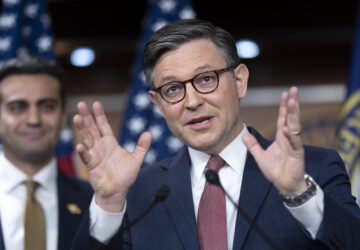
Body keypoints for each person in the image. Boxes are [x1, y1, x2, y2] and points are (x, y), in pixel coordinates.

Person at [71, 19, 360, 250]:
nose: (193, 101)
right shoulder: (138, 191)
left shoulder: (315, 169)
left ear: (240, 81)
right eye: (172, 89)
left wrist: (299, 193)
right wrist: (108, 204)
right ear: (158, 104)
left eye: (206, 79)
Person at [0, 57, 93, 250]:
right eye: (17, 107)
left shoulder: (96, 202)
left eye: (47, 106)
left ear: (62, 117)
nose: (34, 119)